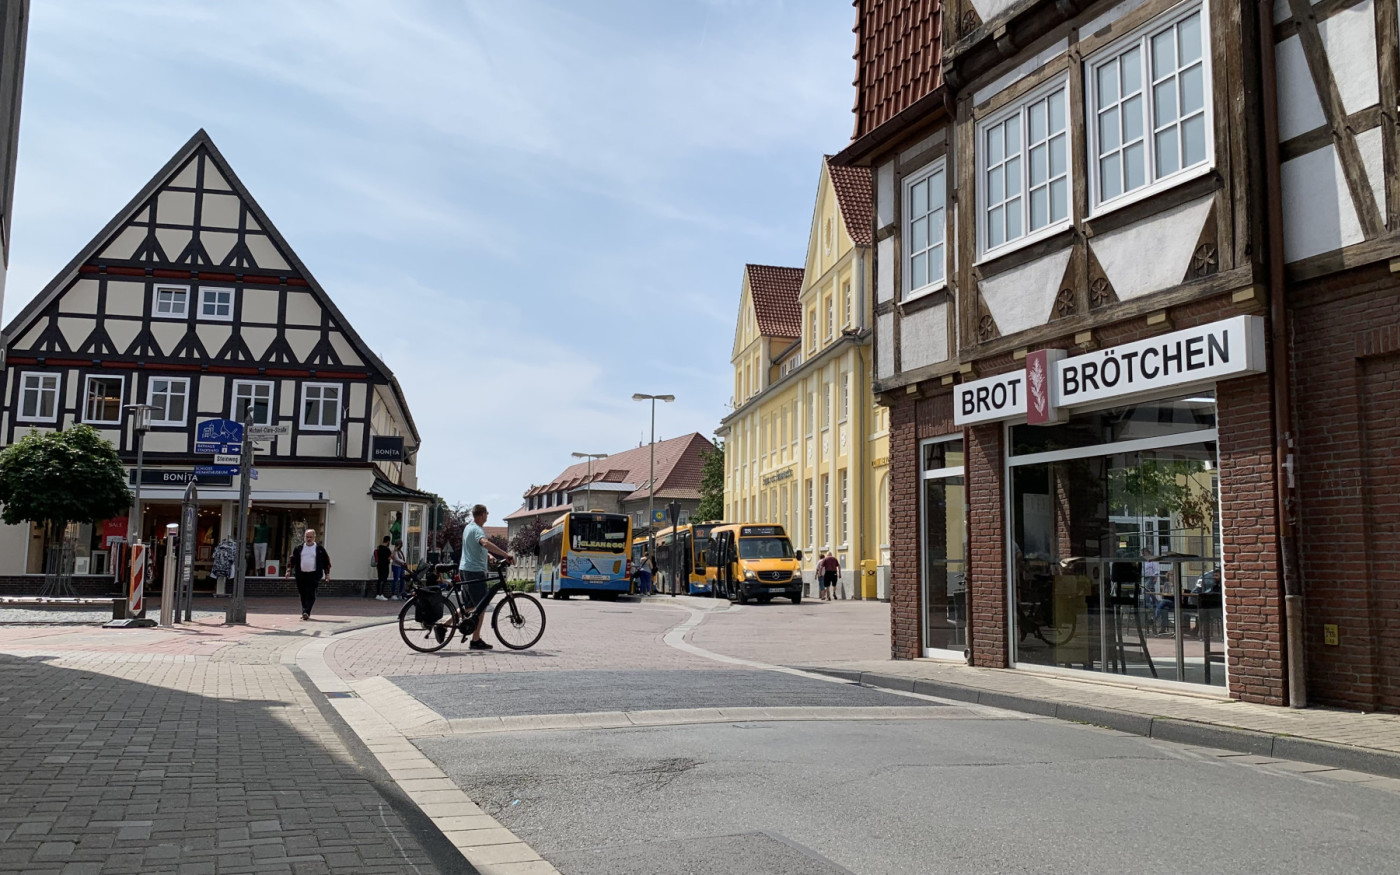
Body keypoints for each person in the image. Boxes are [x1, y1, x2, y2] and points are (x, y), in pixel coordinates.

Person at [460, 504, 513, 650]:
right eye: (487, 514)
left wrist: (489, 556)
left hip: (465, 569)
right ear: (482, 514)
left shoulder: (468, 527)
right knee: (481, 606)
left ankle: (444, 626)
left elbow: (475, 547)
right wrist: (504, 554)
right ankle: (475, 640)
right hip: (475, 572)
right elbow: (484, 543)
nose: (487, 516)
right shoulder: (477, 529)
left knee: (470, 606)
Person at [286, 528, 331, 621]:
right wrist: (288, 570)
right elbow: (292, 559)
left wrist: (327, 574)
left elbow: (326, 561)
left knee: (311, 593)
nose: (309, 539)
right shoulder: (299, 548)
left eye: (311, 537)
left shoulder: (319, 549)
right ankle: (304, 611)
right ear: (304, 537)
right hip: (301, 574)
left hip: (314, 574)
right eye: (307, 537)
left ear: (315, 537)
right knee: (303, 593)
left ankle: (307, 611)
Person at [373, 535, 392, 600]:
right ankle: (381, 594)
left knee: (379, 579)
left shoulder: (379, 548)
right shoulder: (387, 549)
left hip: (379, 565)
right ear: (388, 541)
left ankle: (378, 594)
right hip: (385, 566)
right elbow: (389, 557)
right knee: (383, 580)